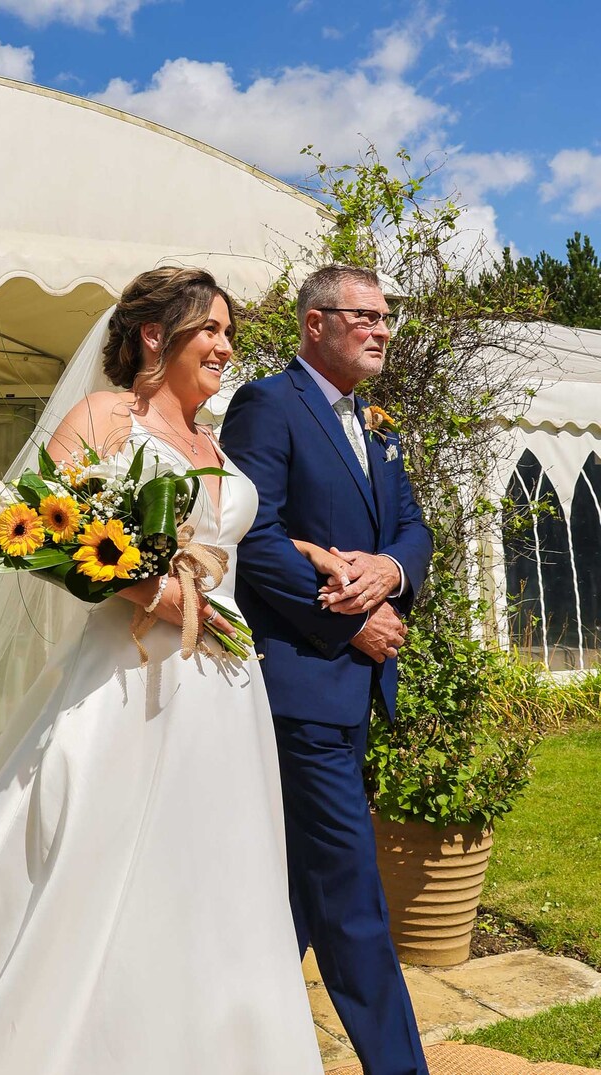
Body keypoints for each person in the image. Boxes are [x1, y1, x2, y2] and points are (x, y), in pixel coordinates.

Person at [0, 268, 324, 1075]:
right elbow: (35, 533)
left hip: (224, 691)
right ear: (157, 337)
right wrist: (153, 588)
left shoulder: (216, 438)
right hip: (127, 674)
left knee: (214, 869)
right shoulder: (104, 416)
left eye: (230, 332)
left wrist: (295, 556)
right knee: (88, 853)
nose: (228, 346)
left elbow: (228, 540)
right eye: (213, 329)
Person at [221, 264, 434, 1075]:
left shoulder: (376, 421)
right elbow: (255, 539)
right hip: (302, 684)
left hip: (353, 697)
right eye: (366, 315)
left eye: (387, 316)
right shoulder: (270, 405)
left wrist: (391, 571)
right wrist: (351, 620)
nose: (382, 328)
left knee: (296, 895)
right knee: (348, 893)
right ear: (316, 324)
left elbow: (412, 526)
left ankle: (235, 1042)